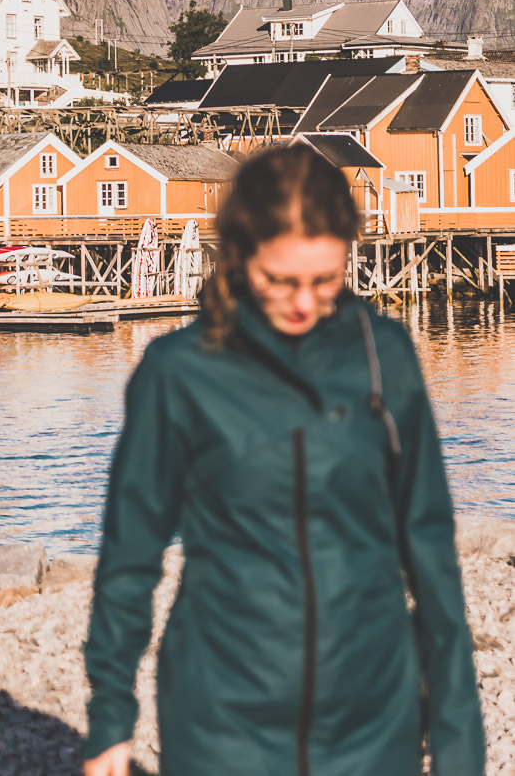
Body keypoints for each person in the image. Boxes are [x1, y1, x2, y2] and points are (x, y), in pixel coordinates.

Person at [83, 144, 484, 776]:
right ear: (239, 256)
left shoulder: (385, 355)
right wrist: (110, 717)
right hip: (221, 711)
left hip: (373, 708)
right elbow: (130, 552)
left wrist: (461, 744)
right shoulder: (178, 373)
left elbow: (429, 545)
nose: (303, 303)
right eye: (281, 281)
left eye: (325, 282)